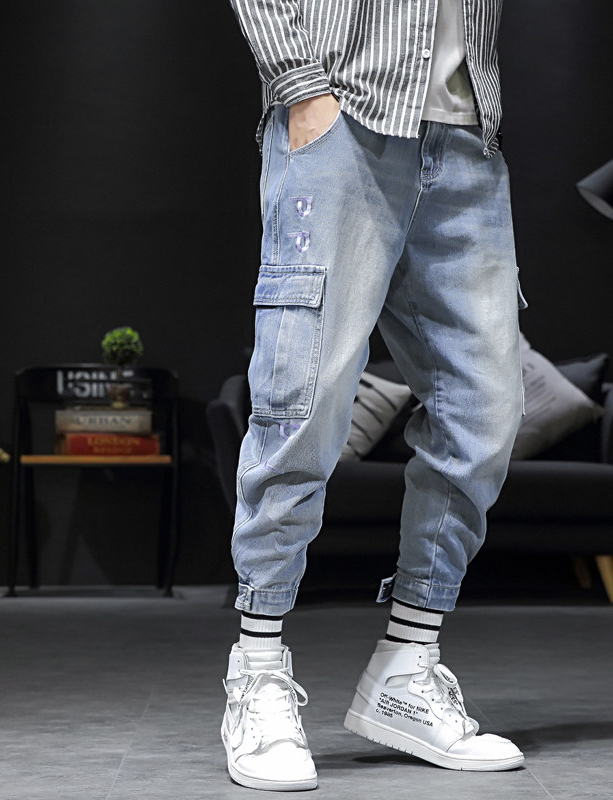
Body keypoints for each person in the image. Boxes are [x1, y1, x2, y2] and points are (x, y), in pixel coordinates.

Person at [221, 0, 527, 790]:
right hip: (346, 121)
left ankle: (407, 669)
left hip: (466, 138)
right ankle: (257, 670)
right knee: (303, 401)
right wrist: (299, 86)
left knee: (486, 408)